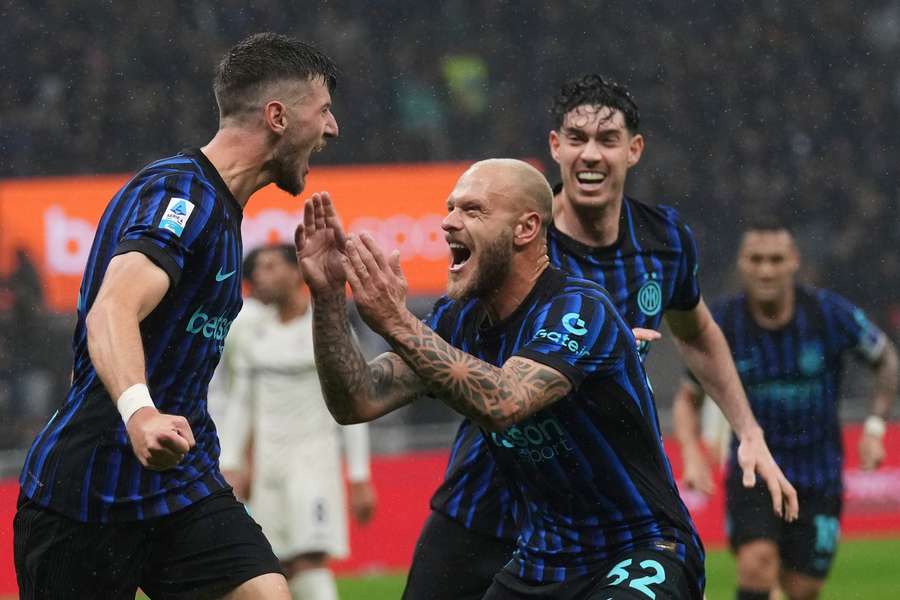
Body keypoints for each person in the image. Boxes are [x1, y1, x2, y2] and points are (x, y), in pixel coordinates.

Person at [403, 73, 799, 599]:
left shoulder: (664, 241)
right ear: (555, 148)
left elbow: (698, 333)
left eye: (607, 140)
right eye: (576, 139)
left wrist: (748, 431)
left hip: (598, 511)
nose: (590, 155)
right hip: (488, 497)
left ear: (633, 150)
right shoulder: (516, 249)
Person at [13, 32, 339, 599]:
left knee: (267, 594)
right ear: (278, 116)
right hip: (89, 492)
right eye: (325, 110)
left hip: (178, 482)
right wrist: (140, 414)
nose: (332, 129)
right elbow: (111, 310)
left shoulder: (222, 211)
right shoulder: (180, 197)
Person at [297, 160, 707, 599]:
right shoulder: (461, 320)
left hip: (639, 548)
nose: (448, 222)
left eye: (472, 211)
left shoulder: (579, 310)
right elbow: (356, 400)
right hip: (544, 560)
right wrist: (327, 300)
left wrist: (397, 322)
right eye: (450, 208)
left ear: (526, 228)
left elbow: (504, 402)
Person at [671, 218, 898, 600]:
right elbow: (687, 397)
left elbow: (886, 360)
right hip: (753, 474)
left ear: (794, 261)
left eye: (775, 259)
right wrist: (691, 451)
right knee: (756, 565)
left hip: (819, 476)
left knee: (802, 590)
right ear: (741, 264)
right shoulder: (722, 323)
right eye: (756, 259)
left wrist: (875, 428)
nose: (766, 269)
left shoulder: (828, 313)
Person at [216, 243, 377, 600]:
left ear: (296, 273)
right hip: (268, 469)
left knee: (309, 560)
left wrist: (360, 476)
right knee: (275, 566)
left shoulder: (327, 331)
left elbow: (356, 404)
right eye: (257, 268)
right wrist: (232, 462)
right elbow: (242, 402)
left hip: (313, 463)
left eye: (271, 266)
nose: (260, 275)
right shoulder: (252, 333)